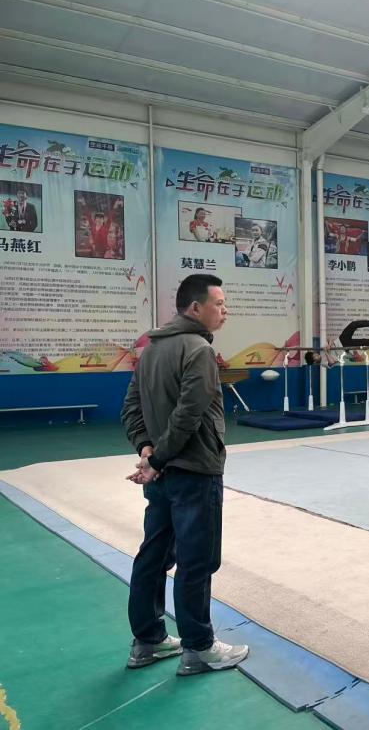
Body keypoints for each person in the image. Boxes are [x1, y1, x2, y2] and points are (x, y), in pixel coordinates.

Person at [121, 274, 250, 675]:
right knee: (197, 561)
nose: (225, 311)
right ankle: (199, 647)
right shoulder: (198, 350)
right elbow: (189, 415)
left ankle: (148, 641)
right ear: (195, 308)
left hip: (161, 476)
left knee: (153, 555)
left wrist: (147, 450)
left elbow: (131, 409)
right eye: (219, 304)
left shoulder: (151, 350)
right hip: (194, 472)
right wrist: (157, 459)